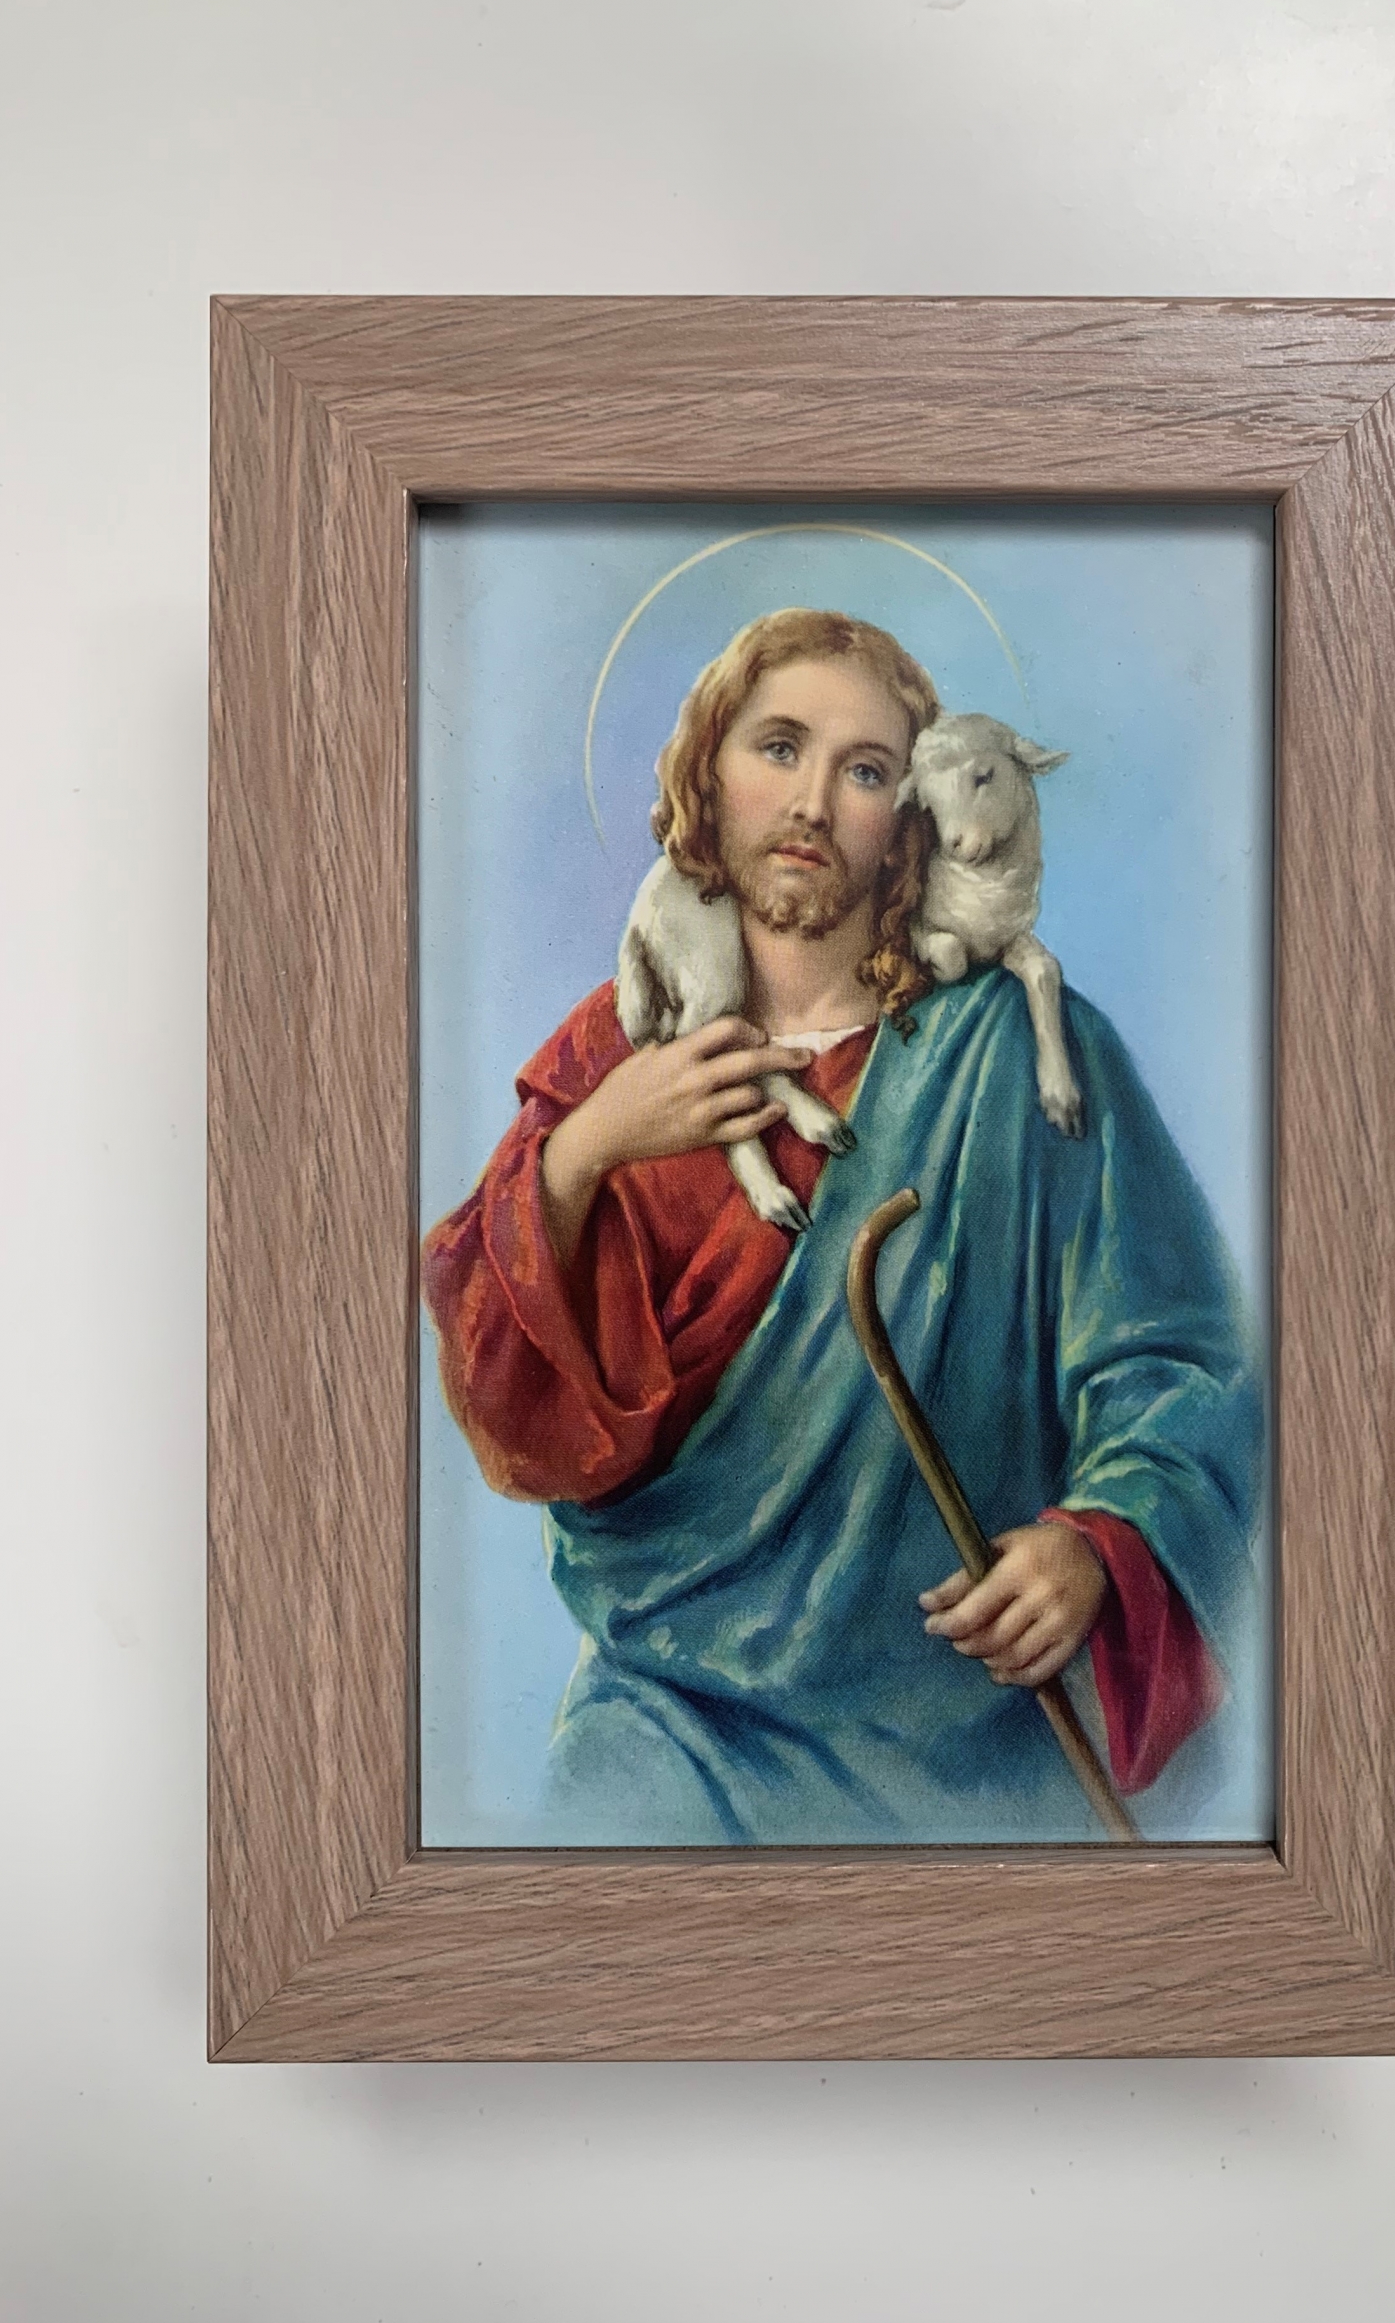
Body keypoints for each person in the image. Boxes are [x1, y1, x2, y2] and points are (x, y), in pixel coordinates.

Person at [422, 607, 1264, 1844]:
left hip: (977, 1736)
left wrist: (1097, 1546)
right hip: (673, 1722)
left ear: (910, 816)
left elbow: (1184, 1359)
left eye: (865, 770)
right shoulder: (612, 1062)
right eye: (778, 747)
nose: (812, 802)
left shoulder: (1016, 1056)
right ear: (708, 768)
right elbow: (508, 1406)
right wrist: (586, 1152)